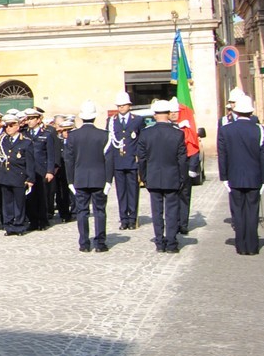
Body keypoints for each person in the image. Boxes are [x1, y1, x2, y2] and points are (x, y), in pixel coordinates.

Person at [219, 95, 264, 256]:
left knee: (238, 212)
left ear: (235, 112)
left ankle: (241, 245)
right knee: (252, 212)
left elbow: (223, 155)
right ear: (250, 112)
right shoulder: (260, 129)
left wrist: (224, 177)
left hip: (234, 176)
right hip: (254, 177)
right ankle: (252, 246)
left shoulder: (226, 129)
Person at [138, 101, 188, 253]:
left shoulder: (146, 133)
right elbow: (182, 160)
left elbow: (142, 158)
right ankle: (172, 242)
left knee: (157, 211)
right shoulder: (178, 133)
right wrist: (182, 178)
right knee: (172, 211)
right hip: (172, 177)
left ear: (154, 115)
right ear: (168, 114)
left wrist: (144, 177)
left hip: (153, 177)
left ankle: (160, 242)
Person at [64, 103, 112, 252]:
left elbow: (68, 160)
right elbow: (109, 160)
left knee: (82, 212)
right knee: (99, 211)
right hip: (99, 178)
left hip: (80, 178)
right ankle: (100, 243)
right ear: (95, 116)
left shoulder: (73, 136)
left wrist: (70, 181)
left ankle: (84, 243)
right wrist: (108, 181)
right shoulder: (104, 135)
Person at [107, 92, 145, 229]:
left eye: (124, 105)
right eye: (119, 105)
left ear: (129, 106)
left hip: (132, 160)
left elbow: (142, 140)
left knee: (133, 191)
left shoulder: (137, 120)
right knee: (121, 192)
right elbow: (110, 142)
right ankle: (123, 219)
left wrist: (140, 158)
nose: (121, 108)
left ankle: (132, 218)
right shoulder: (112, 121)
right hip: (118, 161)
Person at [0, 114, 36, 236]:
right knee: (7, 203)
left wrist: (30, 178)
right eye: (6, 126)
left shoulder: (26, 142)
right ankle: (9, 225)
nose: (8, 128)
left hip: (19, 176)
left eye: (11, 126)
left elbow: (30, 162)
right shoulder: (3, 140)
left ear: (17, 126)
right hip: (5, 176)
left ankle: (19, 225)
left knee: (19, 203)